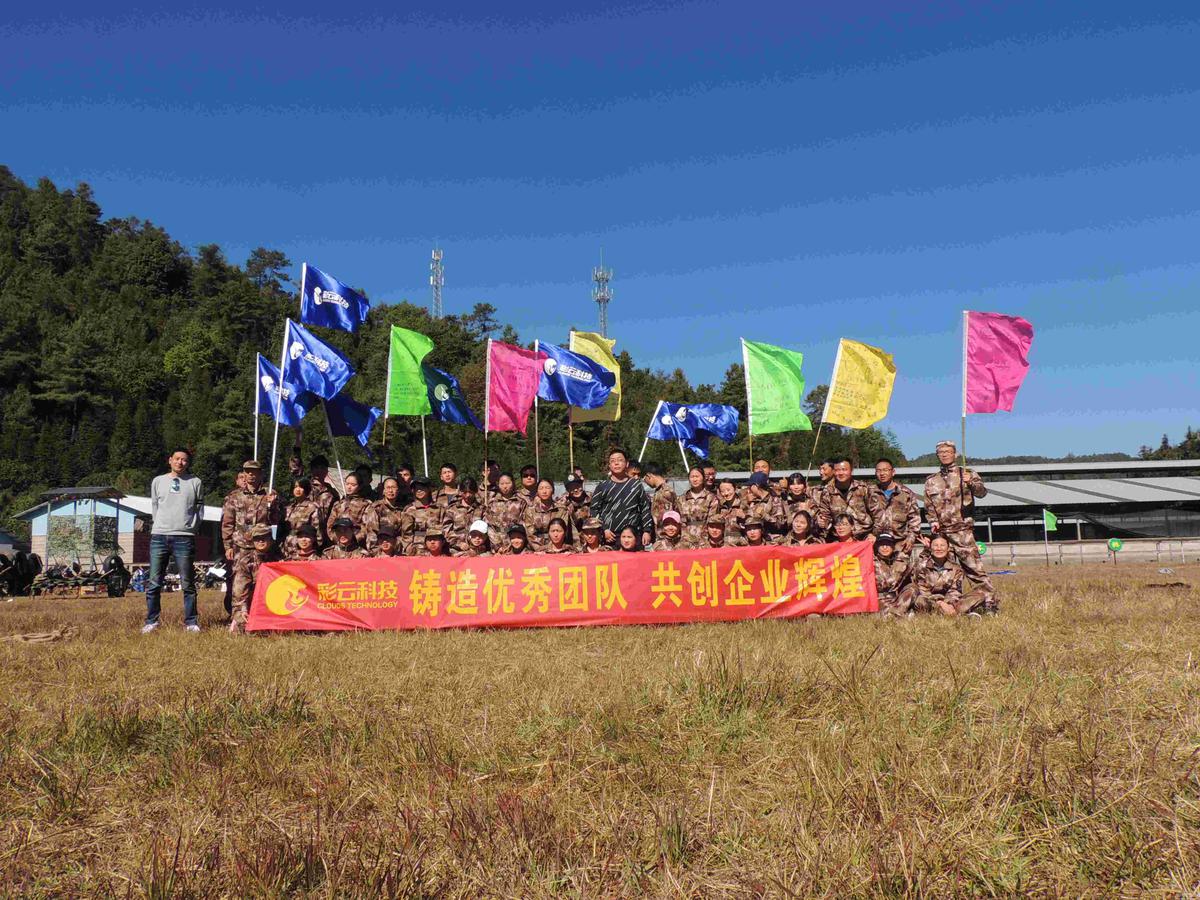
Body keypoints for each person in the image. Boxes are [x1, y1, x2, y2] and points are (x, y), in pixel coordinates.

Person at [923, 440, 996, 612]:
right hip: (943, 535)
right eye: (941, 452)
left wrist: (971, 483)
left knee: (974, 570)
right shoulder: (931, 481)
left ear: (955, 454)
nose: (944, 455)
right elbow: (928, 505)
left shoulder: (967, 473)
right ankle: (952, 606)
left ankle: (989, 604)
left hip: (963, 532)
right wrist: (933, 522)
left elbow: (982, 493)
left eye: (948, 451)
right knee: (947, 573)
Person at [143, 447, 204, 634]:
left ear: (188, 463)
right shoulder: (158, 481)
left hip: (184, 537)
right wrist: (159, 524)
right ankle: (151, 621)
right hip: (159, 536)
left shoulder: (195, 482)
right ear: (170, 460)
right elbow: (155, 505)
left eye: (184, 460)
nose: (180, 462)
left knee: (187, 583)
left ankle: (191, 622)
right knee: (154, 582)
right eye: (177, 459)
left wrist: (192, 527)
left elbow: (199, 508)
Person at [220, 460, 282, 620]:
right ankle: (239, 619)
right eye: (248, 472)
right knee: (239, 585)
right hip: (241, 547)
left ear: (260, 474)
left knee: (262, 584)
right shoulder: (234, 496)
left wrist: (273, 505)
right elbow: (227, 523)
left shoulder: (269, 494)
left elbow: (276, 522)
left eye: (254, 472)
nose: (251, 475)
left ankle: (262, 617)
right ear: (244, 474)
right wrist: (228, 545)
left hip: (262, 548)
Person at [587, 448, 653, 548]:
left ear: (627, 464)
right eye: (613, 461)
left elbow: (645, 508)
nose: (616, 463)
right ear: (609, 465)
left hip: (633, 537)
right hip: (610, 537)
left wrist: (647, 531)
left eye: (620, 460)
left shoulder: (636, 485)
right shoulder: (602, 486)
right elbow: (594, 510)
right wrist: (604, 529)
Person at [913, 534, 986, 617]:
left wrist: (948, 604)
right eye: (935, 545)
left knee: (980, 595)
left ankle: (947, 612)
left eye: (942, 545)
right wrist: (939, 603)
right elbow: (923, 591)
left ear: (948, 548)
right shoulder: (922, 566)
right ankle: (957, 614)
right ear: (930, 548)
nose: (939, 548)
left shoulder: (956, 568)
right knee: (920, 601)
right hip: (929, 600)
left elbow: (955, 591)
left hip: (949, 602)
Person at [230, 524, 281, 633]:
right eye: (257, 538)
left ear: (271, 539)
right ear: (252, 541)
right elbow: (240, 592)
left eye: (264, 537)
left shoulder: (279, 559)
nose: (261, 541)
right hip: (253, 603)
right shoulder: (246, 561)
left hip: (276, 602)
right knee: (245, 629)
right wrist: (242, 611)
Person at [868, 458, 923, 557]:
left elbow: (914, 518)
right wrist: (868, 534)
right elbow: (864, 516)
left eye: (885, 470)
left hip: (900, 543)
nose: (882, 473)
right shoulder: (870, 492)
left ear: (893, 472)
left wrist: (911, 538)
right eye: (878, 471)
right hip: (877, 542)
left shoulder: (905, 494)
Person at [816, 458, 874, 540]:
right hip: (839, 538)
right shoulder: (827, 492)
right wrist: (823, 522)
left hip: (864, 537)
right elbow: (825, 516)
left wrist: (875, 534)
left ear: (851, 470)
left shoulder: (863, 489)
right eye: (837, 470)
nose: (840, 473)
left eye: (844, 469)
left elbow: (877, 514)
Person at [872, 533, 914, 618]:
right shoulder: (870, 560)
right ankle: (899, 614)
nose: (885, 547)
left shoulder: (902, 559)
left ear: (893, 547)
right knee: (885, 611)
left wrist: (927, 550)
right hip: (879, 599)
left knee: (912, 588)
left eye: (888, 544)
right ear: (876, 547)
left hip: (896, 598)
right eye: (881, 545)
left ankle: (897, 612)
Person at [399, 478, 443, 555]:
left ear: (428, 489)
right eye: (416, 489)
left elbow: (444, 528)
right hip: (417, 549)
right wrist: (410, 549)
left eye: (422, 488)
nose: (419, 491)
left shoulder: (438, 508)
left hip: (437, 549)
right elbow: (406, 534)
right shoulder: (410, 510)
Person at [326, 473, 372, 546]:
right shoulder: (338, 504)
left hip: (357, 545)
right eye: (347, 484)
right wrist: (336, 539)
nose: (349, 487)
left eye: (353, 485)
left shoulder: (366, 504)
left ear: (360, 486)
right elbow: (330, 525)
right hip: (339, 544)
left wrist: (353, 539)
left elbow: (367, 527)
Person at [524, 477, 569, 551]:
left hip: (558, 549)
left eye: (547, 488)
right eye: (541, 488)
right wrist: (541, 549)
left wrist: (552, 549)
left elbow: (562, 532)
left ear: (553, 490)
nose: (544, 491)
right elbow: (530, 535)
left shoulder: (561, 510)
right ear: (537, 492)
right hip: (537, 551)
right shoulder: (530, 511)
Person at [279, 478, 323, 554]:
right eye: (295, 487)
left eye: (301, 487)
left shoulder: (312, 507)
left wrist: (315, 549)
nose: (297, 489)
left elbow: (318, 531)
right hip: (286, 548)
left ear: (306, 489)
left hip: (304, 549)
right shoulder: (289, 508)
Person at [678, 466, 717, 547]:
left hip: (705, 540)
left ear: (703, 478)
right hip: (685, 541)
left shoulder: (711, 498)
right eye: (692, 477)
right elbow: (680, 521)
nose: (695, 479)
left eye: (697, 476)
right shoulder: (682, 498)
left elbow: (712, 520)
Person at [364, 476, 408, 548]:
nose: (390, 491)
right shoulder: (376, 508)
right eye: (388, 488)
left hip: (397, 549)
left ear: (398, 490)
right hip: (381, 549)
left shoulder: (402, 509)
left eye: (393, 487)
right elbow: (372, 534)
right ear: (383, 491)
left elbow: (405, 534)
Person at [485, 473, 528, 546]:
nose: (505, 486)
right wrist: (497, 545)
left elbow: (524, 524)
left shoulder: (521, 502)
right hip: (496, 542)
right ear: (498, 485)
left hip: (516, 543)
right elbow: (489, 525)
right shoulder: (492, 503)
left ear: (513, 483)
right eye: (502, 484)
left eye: (508, 483)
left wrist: (514, 542)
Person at [441, 477, 481, 553]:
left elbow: (486, 530)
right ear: (460, 492)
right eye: (464, 492)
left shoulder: (481, 509)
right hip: (455, 550)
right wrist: (458, 543)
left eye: (470, 492)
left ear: (475, 491)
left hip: (477, 550)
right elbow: (446, 531)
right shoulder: (452, 509)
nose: (467, 495)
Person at [642, 463, 680, 533]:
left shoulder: (665, 492)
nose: (645, 482)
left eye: (644, 479)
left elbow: (668, 517)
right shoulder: (659, 491)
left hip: (665, 534)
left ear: (649, 475)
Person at [308, 454, 340, 522]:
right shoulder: (305, 487)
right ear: (311, 469)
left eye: (322, 468)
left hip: (326, 527)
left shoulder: (332, 491)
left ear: (326, 470)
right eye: (316, 467)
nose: (319, 470)